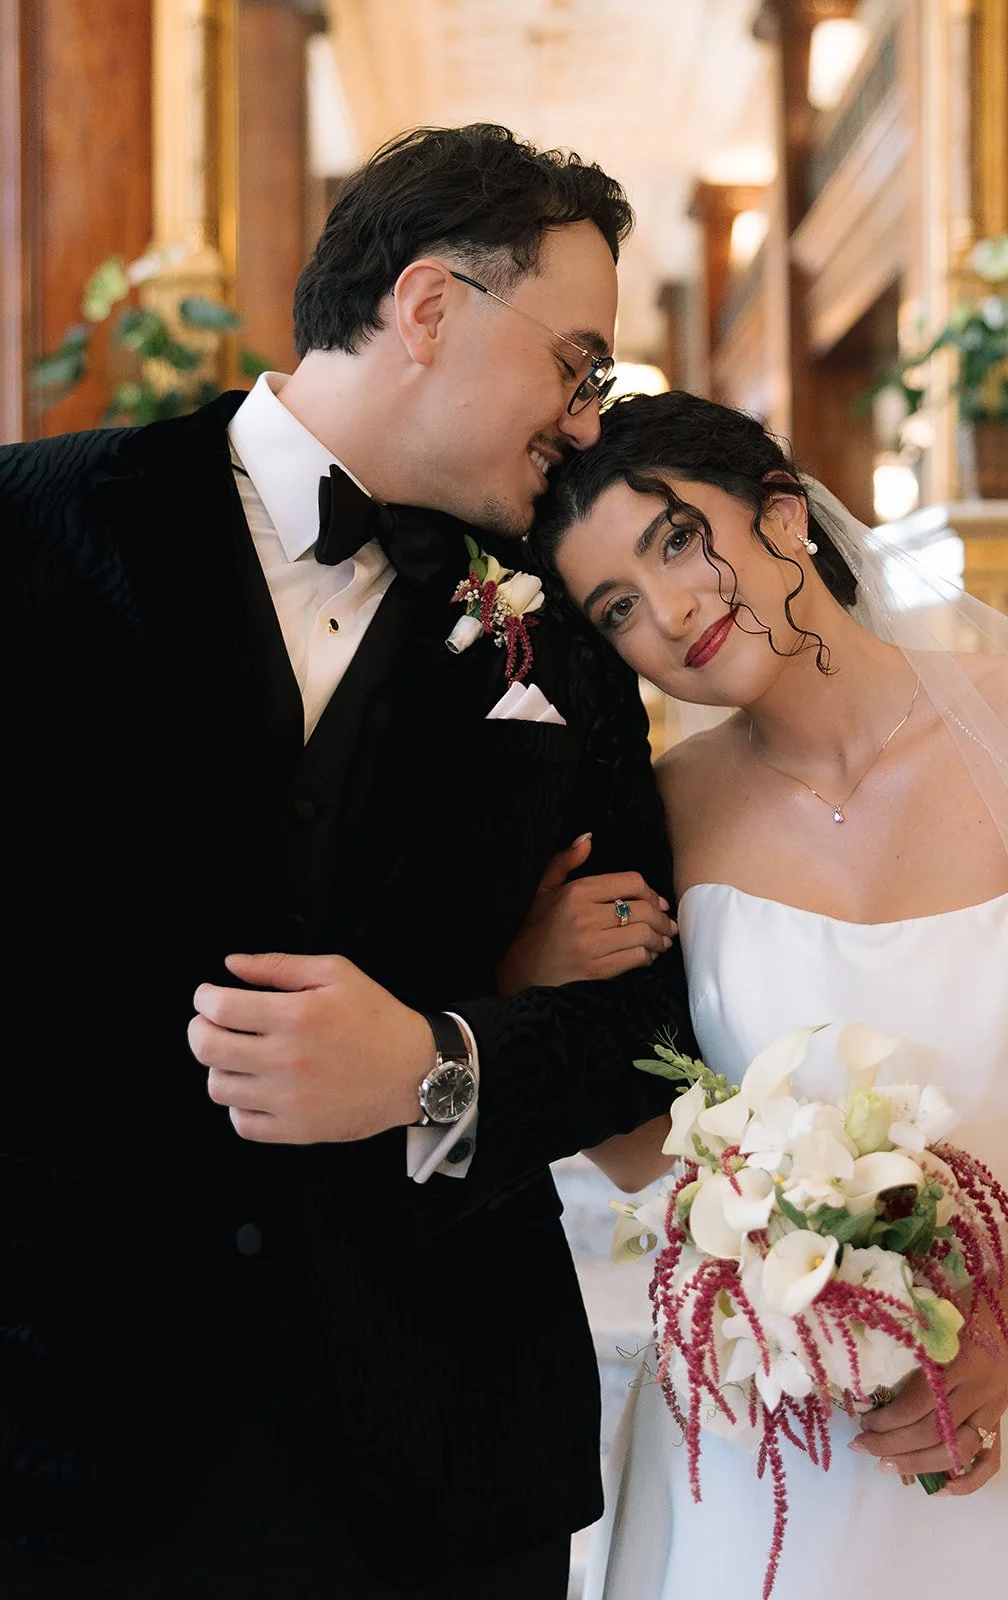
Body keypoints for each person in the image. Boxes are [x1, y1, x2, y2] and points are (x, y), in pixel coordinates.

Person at [1, 126, 697, 1599]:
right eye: (575, 364)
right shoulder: (28, 530)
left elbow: (649, 1019)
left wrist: (441, 1066)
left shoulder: (564, 630)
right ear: (429, 306)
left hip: (445, 1460)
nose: (585, 420)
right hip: (74, 1455)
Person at [524, 390, 1008, 1597]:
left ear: (780, 513)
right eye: (615, 607)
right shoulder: (659, 814)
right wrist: (530, 977)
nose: (667, 612)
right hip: (771, 1432)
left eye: (675, 540)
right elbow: (639, 1139)